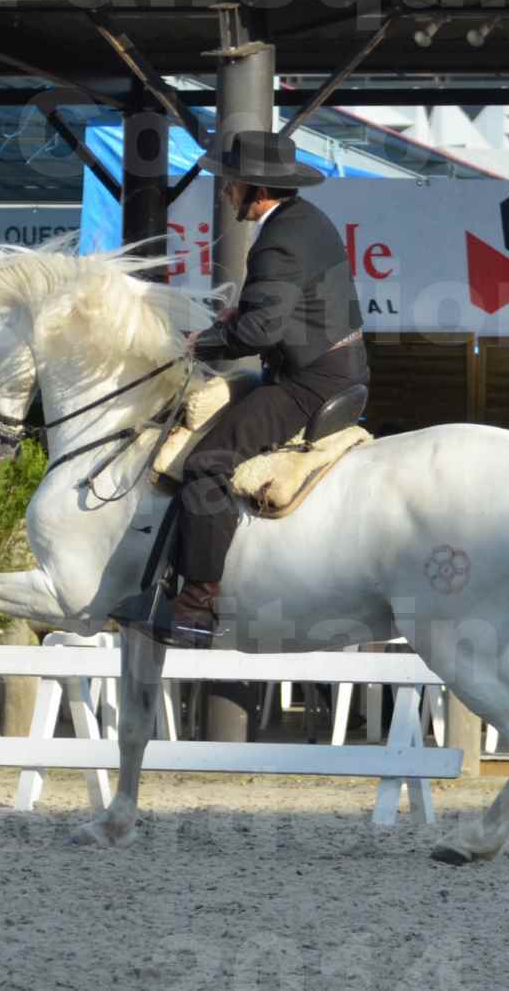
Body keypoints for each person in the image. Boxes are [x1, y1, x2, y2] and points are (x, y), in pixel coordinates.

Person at [165, 131, 369, 645]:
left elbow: (261, 333)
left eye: (230, 184)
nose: (224, 193)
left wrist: (201, 344)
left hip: (309, 381)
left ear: (253, 188)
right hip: (333, 365)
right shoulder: (304, 220)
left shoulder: (278, 238)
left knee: (205, 464)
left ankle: (196, 602)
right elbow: (287, 309)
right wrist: (246, 313)